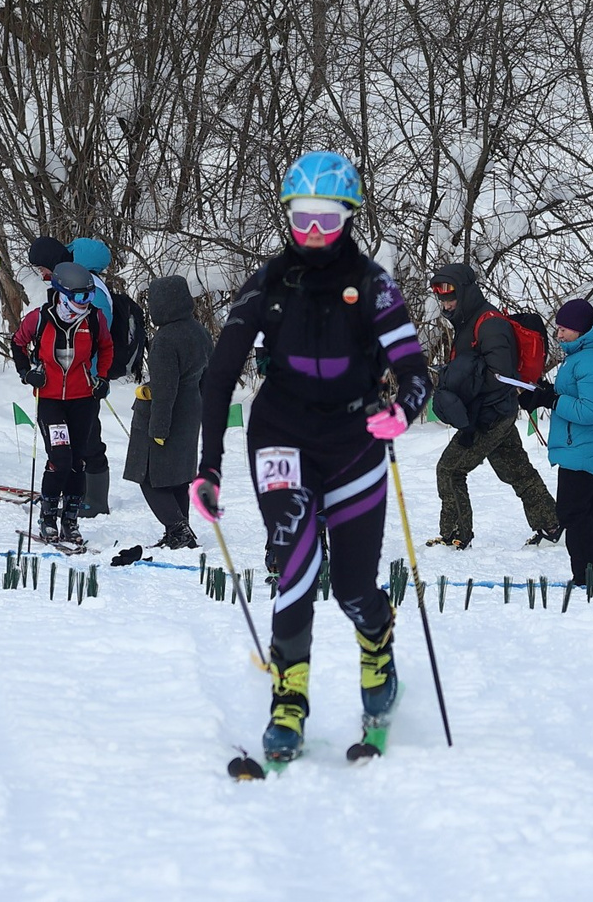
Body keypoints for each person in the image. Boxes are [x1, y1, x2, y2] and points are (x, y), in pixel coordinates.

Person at [193, 150, 432, 766]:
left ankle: (378, 651)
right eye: (303, 217)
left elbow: (412, 367)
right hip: (280, 435)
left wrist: (403, 408)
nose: (315, 232)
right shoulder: (270, 282)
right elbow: (217, 377)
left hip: (354, 443)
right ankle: (287, 702)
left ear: (349, 217)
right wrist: (209, 464)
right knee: (295, 567)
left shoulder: (375, 284)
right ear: (288, 215)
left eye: (328, 218)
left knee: (354, 588)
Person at [425, 261, 562, 549]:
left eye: (450, 298)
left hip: (489, 415)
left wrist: (457, 379)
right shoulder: (469, 322)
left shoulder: (490, 324)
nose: (446, 305)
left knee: (449, 470)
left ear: (465, 293)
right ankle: (551, 524)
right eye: (442, 299)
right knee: (516, 470)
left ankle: (456, 534)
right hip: (494, 412)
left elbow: (501, 375)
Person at [12, 258, 113, 548]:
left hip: (84, 399)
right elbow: (18, 342)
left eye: (89, 295)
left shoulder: (94, 319)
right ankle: (47, 518)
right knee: (60, 458)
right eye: (80, 296)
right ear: (62, 294)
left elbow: (106, 347)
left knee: (78, 461)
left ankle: (70, 521)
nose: (85, 302)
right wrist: (26, 373)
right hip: (51, 399)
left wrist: (102, 377)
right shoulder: (40, 318)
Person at [529, 297, 593, 589]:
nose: (559, 334)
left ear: (582, 329)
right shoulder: (586, 355)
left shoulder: (591, 360)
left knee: (573, 512)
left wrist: (552, 400)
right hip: (586, 448)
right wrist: (544, 392)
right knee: (591, 509)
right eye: (558, 328)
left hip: (584, 448)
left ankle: (588, 576)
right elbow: (574, 395)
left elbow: (589, 410)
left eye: (565, 329)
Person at [123, 274, 211, 552]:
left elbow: (165, 390)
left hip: (166, 416)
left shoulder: (164, 340)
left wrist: (158, 429)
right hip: (191, 412)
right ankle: (180, 533)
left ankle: (178, 529)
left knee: (149, 477)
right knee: (178, 477)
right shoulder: (200, 331)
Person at [70, 235, 134, 515]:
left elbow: (94, 336)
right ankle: (79, 491)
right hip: (85, 374)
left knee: (88, 437)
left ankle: (95, 500)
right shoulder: (93, 286)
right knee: (77, 435)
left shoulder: (93, 292)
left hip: (89, 376)